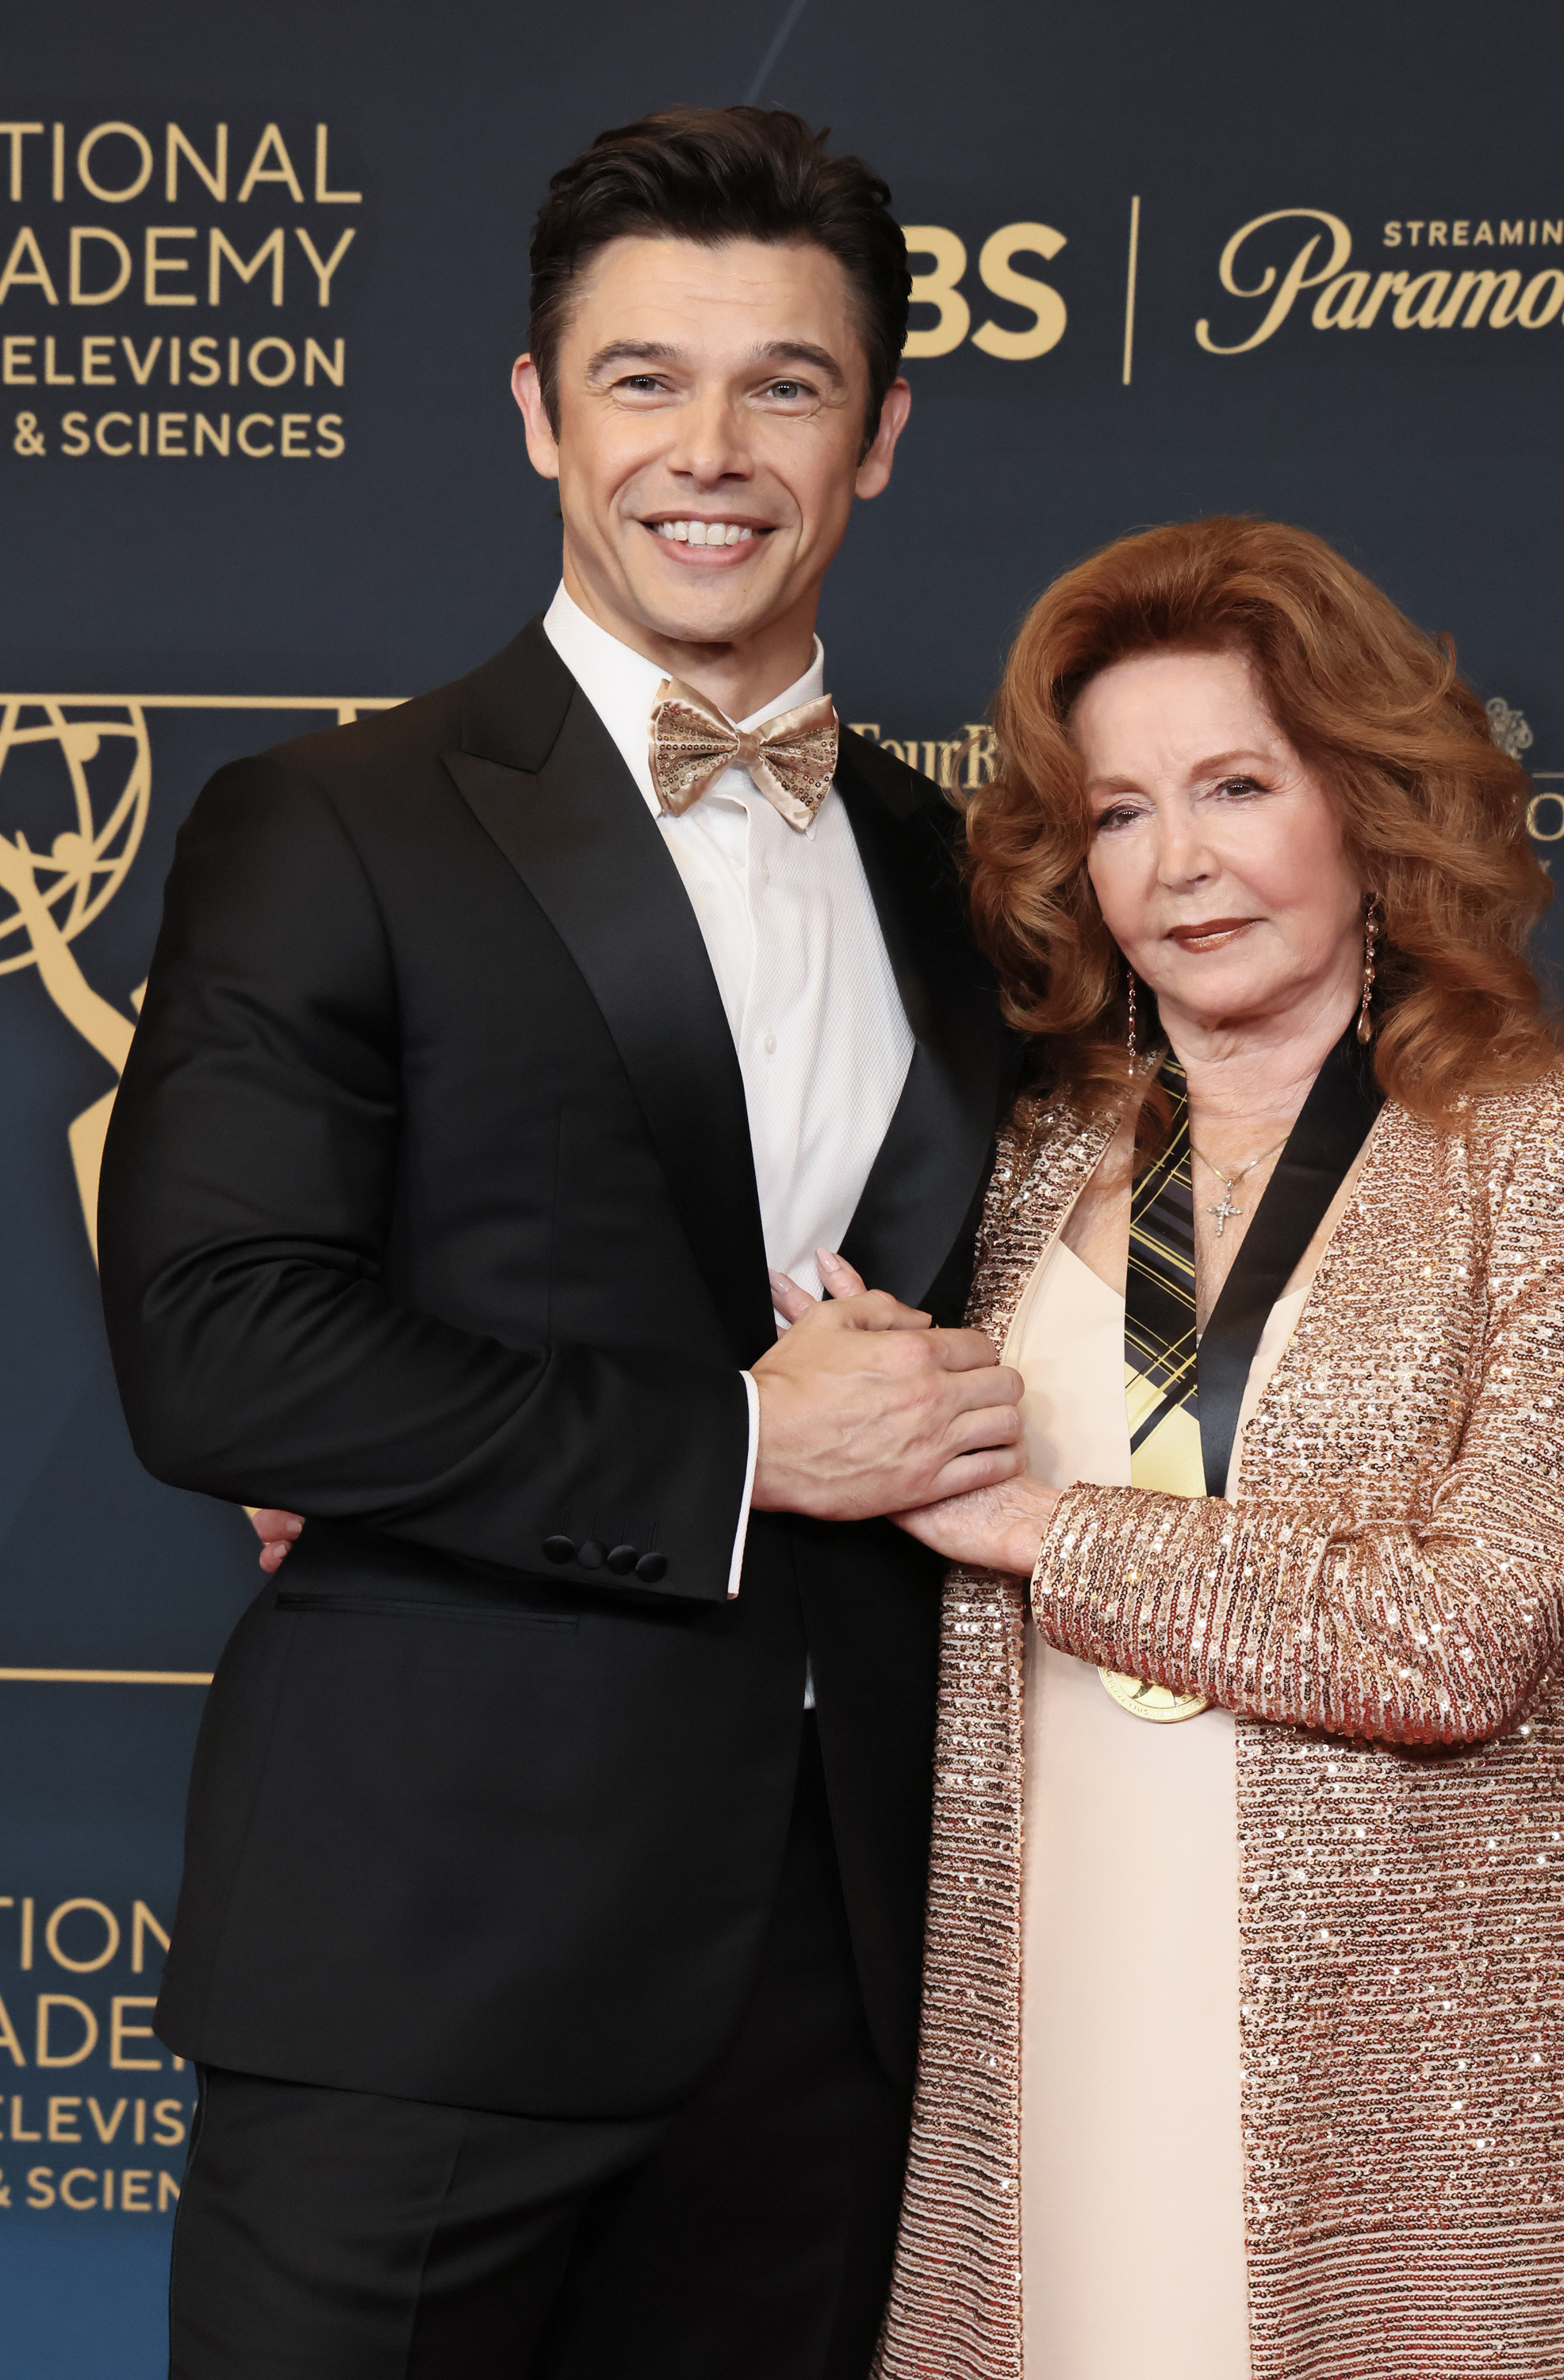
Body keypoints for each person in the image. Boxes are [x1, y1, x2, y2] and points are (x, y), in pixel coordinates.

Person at [98, 107, 1025, 2380]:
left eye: (784, 385)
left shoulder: (952, 864)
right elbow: (217, 1351)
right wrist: (731, 1447)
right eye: (640, 379)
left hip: (836, 1968)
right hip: (427, 1952)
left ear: (881, 434)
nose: (706, 451)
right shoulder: (328, 823)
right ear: (534, 411)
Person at [795, 517, 1564, 2378]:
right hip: (1041, 1981)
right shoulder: (1022, 1152)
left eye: (1232, 786)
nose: (1177, 864)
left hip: (1375, 2044)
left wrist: (1052, 1531)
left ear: (1363, 803)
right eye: (1119, 813)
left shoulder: (1554, 1152)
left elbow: (1467, 1633)